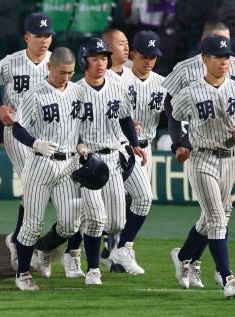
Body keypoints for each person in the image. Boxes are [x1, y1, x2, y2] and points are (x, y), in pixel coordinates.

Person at [162, 21, 235, 287]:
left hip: (228, 157)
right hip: (201, 156)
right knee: (216, 218)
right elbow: (173, 114)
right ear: (205, 58)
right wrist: (180, 143)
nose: (224, 60)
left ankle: (184, 256)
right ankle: (227, 277)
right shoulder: (189, 86)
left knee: (217, 216)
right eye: (217, 56)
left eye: (226, 55)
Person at [74, 38, 147, 285]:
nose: (100, 63)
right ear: (84, 62)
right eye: (94, 58)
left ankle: (82, 233)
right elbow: (69, 127)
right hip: (87, 159)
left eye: (104, 58)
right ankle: (93, 268)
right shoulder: (75, 91)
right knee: (96, 219)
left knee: (115, 223)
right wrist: (79, 146)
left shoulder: (117, 87)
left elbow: (126, 118)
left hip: (113, 157)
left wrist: (135, 143)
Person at [10, 47, 84, 291]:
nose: (66, 77)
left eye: (71, 73)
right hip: (40, 164)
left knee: (70, 225)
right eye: (62, 72)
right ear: (49, 67)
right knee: (31, 225)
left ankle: (44, 248)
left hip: (68, 164)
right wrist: (35, 143)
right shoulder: (34, 94)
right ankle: (22, 273)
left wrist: (82, 144)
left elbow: (80, 124)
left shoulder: (77, 91)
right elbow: (17, 128)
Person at [0, 12, 55, 272]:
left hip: (48, 134)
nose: (44, 40)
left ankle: (18, 239)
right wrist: (0, 106)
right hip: (16, 129)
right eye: (39, 35)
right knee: (33, 183)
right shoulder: (10, 62)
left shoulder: (55, 62)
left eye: (48, 35)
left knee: (40, 190)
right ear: (27, 37)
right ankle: (24, 242)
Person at [108, 30, 165, 275]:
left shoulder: (162, 83)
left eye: (153, 56)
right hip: (120, 147)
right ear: (133, 55)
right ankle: (112, 251)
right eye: (144, 56)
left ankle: (117, 251)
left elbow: (172, 116)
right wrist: (126, 128)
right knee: (114, 206)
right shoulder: (120, 81)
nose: (149, 61)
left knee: (138, 201)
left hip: (145, 147)